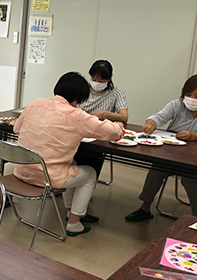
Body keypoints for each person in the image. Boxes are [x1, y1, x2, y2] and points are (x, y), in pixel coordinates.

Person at [13, 72, 124, 236]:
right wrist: (119, 125)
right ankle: (74, 222)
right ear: (79, 97)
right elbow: (113, 133)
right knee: (91, 174)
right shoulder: (77, 115)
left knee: (73, 165)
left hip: (22, 170)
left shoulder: (35, 103)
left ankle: (70, 210)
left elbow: (16, 129)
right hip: (49, 178)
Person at [125, 73, 197, 221]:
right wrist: (150, 124)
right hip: (173, 154)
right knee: (157, 169)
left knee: (190, 179)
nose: (192, 99)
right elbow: (158, 117)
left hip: (196, 160)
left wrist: (195, 137)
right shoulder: (177, 105)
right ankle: (144, 208)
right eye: (188, 94)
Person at [74, 60, 129, 178]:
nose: (97, 83)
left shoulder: (116, 93)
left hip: (99, 134)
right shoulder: (83, 90)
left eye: (101, 81)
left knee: (95, 155)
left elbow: (124, 117)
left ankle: (89, 180)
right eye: (94, 80)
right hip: (79, 130)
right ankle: (72, 182)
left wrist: (104, 113)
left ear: (110, 78)